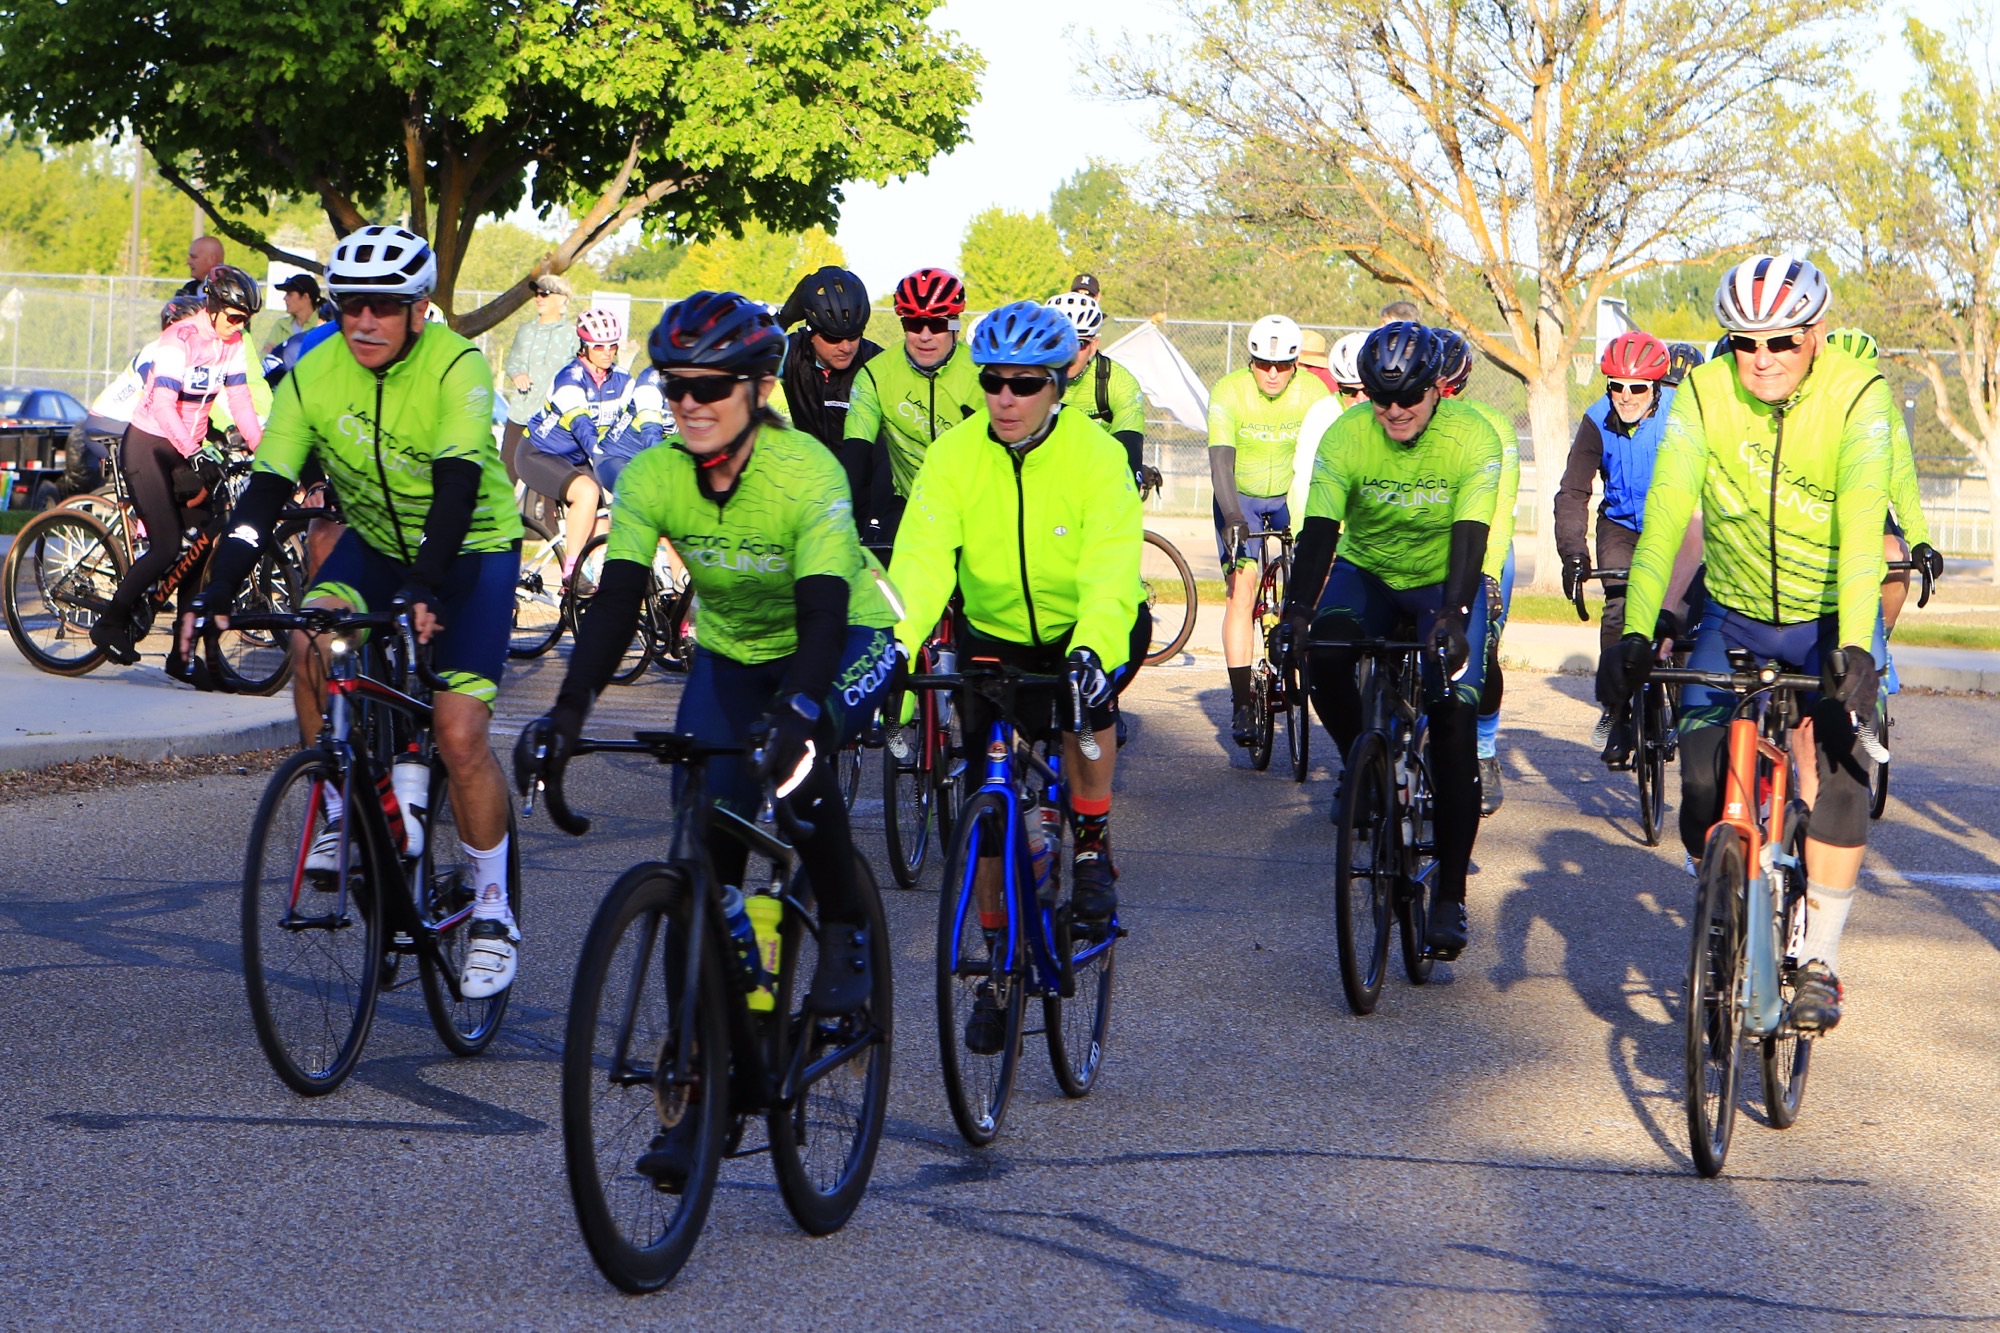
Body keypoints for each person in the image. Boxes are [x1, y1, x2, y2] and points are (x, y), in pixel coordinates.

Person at [517, 289, 897, 1019]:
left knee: (798, 765)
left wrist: (800, 709)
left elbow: (823, 614)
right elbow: (617, 602)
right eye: (675, 384)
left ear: (757, 390)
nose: (689, 403)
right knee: (707, 828)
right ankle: (711, 1059)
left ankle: (845, 928)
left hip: (846, 633)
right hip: (734, 649)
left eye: (710, 386)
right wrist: (567, 713)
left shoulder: (804, 471)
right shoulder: (658, 474)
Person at [185, 224, 526, 1000]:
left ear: (418, 308)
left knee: (459, 731)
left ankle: (494, 909)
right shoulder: (317, 372)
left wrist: (429, 586)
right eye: (350, 307)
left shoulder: (455, 366)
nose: (364, 321)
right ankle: (337, 800)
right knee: (311, 636)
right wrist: (216, 588)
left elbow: (457, 486)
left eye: (383, 306)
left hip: (468, 549)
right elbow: (266, 490)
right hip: (377, 544)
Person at [1610, 254, 1894, 1033]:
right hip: (1732, 612)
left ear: (1816, 334)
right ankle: (1731, 897)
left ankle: (1820, 962)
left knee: (1839, 773)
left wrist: (1858, 648)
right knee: (1699, 790)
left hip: (1827, 614)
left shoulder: (1856, 393)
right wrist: (1637, 630)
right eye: (1744, 342)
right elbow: (1668, 510)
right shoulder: (1704, 390)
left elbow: (1866, 516)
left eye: (1781, 341)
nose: (1761, 359)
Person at [889, 299, 1145, 940]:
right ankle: (995, 963)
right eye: (992, 380)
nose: (1005, 397)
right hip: (992, 636)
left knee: (1084, 716)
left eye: (1025, 383)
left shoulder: (1096, 455)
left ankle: (1090, 843)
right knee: (987, 808)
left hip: (1085, 626)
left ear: (1056, 387)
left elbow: (1111, 573)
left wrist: (1092, 652)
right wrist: (890, 648)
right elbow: (920, 565)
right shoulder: (953, 456)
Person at [1285, 322, 1500, 959]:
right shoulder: (1348, 435)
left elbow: (1472, 533)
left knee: (1456, 724)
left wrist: (1457, 614)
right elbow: (1320, 530)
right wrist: (1296, 610)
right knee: (1322, 651)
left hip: (1443, 580)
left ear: (1438, 389)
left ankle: (1451, 897)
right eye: (1380, 399)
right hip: (1369, 572)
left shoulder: (1472, 436)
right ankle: (1367, 765)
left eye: (1408, 398)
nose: (1395, 412)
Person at [89, 265, 266, 665]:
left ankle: (182, 655)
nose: (240, 327)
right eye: (236, 318)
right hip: (151, 445)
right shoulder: (178, 340)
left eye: (247, 321)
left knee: (203, 542)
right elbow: (164, 407)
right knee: (168, 544)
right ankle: (110, 623)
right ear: (215, 307)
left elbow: (240, 402)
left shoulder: (232, 343)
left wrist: (265, 450)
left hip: (186, 448)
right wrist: (194, 451)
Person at [1207, 314, 1330, 743]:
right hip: (1239, 494)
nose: (1273, 374)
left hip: (1289, 494)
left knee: (1313, 578)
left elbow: (1325, 462)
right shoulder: (1230, 390)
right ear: (1251, 361)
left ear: (1297, 363)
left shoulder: (1314, 393)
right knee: (1243, 590)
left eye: (1283, 365)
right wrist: (1234, 518)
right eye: (1263, 364)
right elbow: (1221, 460)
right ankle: (1243, 703)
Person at [1554, 329, 1675, 759]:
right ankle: (1618, 708)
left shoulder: (1681, 416)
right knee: (1620, 607)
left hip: (1675, 524)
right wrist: (1572, 553)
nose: (1625, 396)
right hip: (1621, 524)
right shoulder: (1596, 418)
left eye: (1638, 387)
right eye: (1616, 386)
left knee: (1676, 613)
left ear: (1656, 387)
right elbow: (1573, 491)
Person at [1434, 330, 1520, 814]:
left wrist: (1487, 575)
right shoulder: (1407, 419)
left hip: (1483, 547)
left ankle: (1484, 750)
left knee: (1482, 650)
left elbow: (1501, 507)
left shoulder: (1493, 425)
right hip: (1425, 551)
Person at [841, 267, 980, 547]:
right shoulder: (876, 375)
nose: (925, 336)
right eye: (914, 324)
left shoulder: (981, 373)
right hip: (912, 502)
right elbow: (855, 455)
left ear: (955, 325)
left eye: (938, 325)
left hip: (976, 504)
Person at [1825, 328, 1943, 633]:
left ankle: (1881, 640)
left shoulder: (1884, 414)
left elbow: (1902, 481)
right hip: (1813, 505)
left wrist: (1920, 542)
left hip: (1865, 504)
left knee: (1895, 556)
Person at [519, 307, 632, 580]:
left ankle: (596, 581)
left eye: (613, 345)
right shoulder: (570, 379)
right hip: (539, 453)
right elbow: (584, 429)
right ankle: (572, 573)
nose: (607, 352)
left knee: (603, 520)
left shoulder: (622, 381)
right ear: (585, 346)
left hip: (578, 459)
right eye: (599, 346)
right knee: (587, 493)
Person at [769, 265, 881, 455]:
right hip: (811, 477)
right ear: (811, 332)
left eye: (854, 336)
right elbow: (734, 358)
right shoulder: (793, 352)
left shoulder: (877, 363)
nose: (846, 347)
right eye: (833, 338)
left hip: (865, 480)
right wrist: (783, 320)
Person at [1047, 290, 1151, 489]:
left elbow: (1129, 462)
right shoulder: (1029, 377)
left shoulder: (1118, 383)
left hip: (1094, 481)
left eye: (1079, 343)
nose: (1069, 353)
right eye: (1058, 342)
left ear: (1094, 345)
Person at [500, 274, 575, 491]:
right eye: (537, 293)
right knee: (505, 476)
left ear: (562, 300)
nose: (538, 298)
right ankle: (497, 523)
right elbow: (513, 363)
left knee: (547, 482)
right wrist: (517, 375)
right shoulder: (525, 330)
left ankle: (544, 524)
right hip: (520, 414)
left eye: (545, 293)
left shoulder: (572, 335)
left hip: (551, 419)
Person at [263, 274, 325, 357]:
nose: (284, 298)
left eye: (290, 294)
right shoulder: (281, 325)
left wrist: (280, 354)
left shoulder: (323, 326)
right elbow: (266, 358)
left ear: (306, 297)